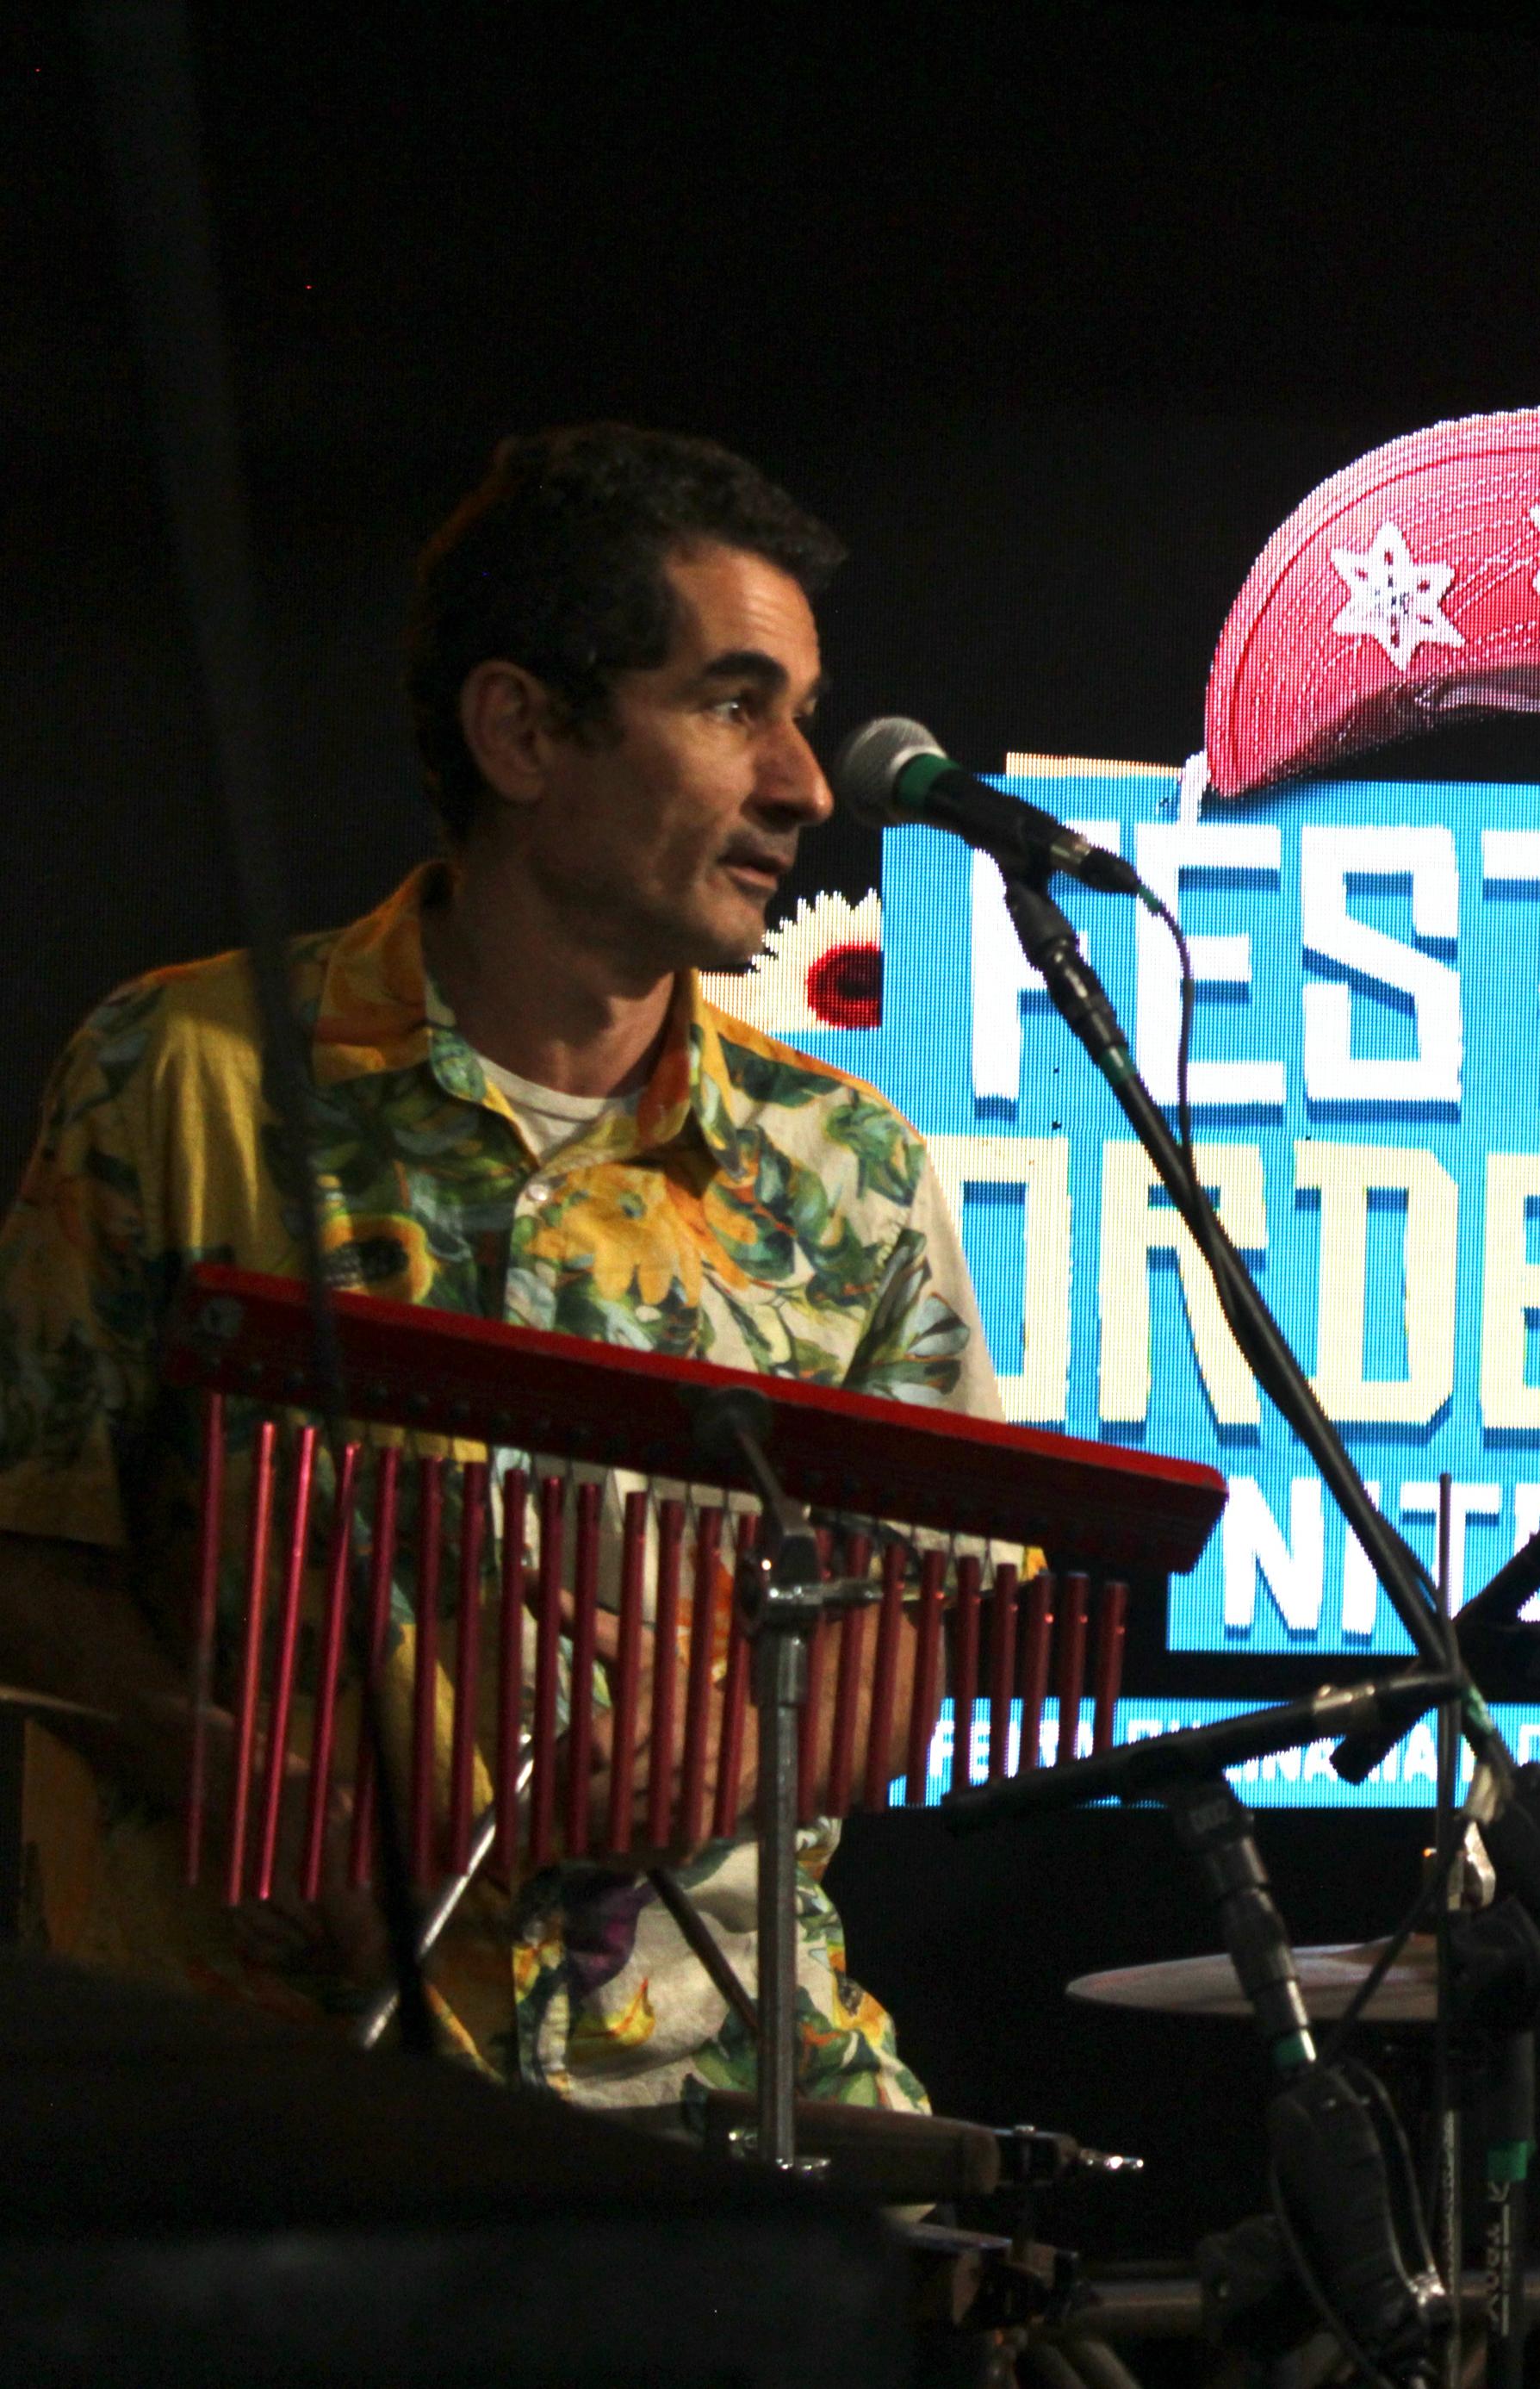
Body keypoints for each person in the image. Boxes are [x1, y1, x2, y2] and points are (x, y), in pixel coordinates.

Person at [0, 424, 996, 2112]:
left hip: (709, 2090)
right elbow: (26, 1543)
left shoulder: (855, 1172)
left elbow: (929, 1612)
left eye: (803, 713)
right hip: (258, 2088)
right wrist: (220, 1756)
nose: (805, 784)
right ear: (523, 729)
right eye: (734, 704)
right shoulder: (185, 1076)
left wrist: (746, 1736)